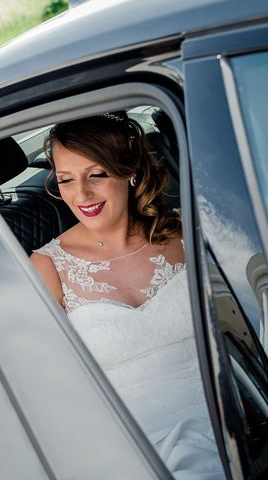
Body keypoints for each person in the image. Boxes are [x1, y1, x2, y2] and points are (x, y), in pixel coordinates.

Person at [31, 114, 224, 479]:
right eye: (66, 180)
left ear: (130, 170)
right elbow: (49, 392)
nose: (81, 195)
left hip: (234, 417)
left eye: (97, 174)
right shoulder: (47, 267)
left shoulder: (186, 230)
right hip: (133, 449)